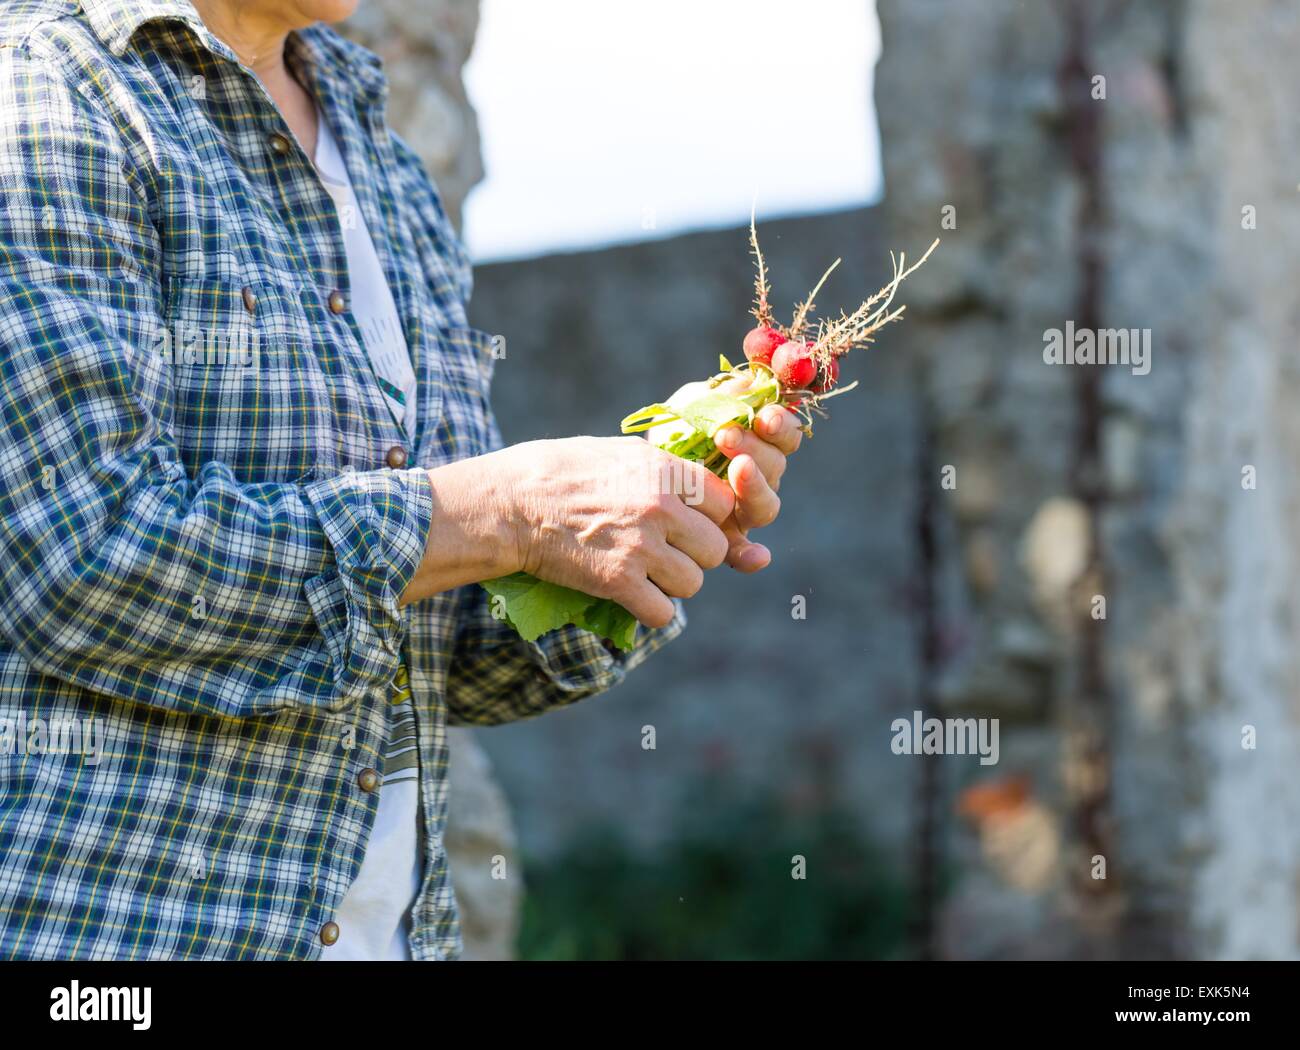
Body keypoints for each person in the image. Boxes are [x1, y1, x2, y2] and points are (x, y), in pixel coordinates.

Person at [0, 0, 800, 960]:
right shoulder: (45, 97)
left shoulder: (378, 151)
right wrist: (504, 513)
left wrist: (635, 529)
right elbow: (85, 563)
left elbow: (450, 655)